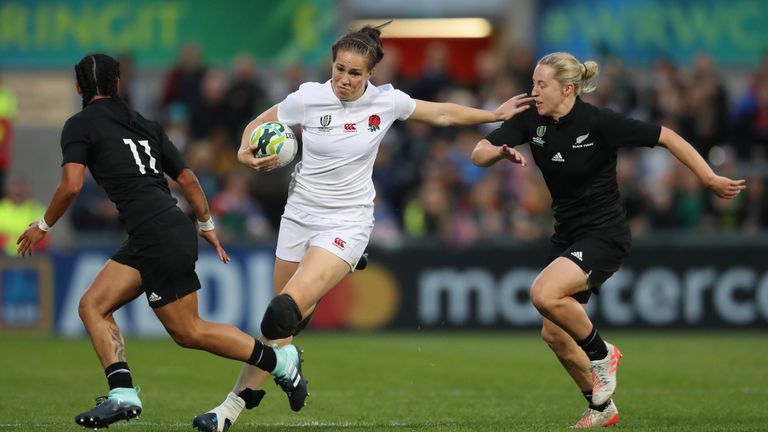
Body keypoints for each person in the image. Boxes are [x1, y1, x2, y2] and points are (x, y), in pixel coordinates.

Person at [192, 23, 534, 432]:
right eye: (339, 69)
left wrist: (493, 113)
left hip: (348, 219)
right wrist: (245, 156)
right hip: (298, 216)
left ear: (370, 74)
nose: (345, 80)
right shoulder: (308, 97)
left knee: (283, 310)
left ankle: (226, 412)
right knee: (279, 329)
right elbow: (253, 128)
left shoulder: (386, 102)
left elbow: (441, 112)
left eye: (355, 73)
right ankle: (265, 384)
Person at [15, 54, 304, 430]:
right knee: (92, 306)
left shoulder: (79, 124)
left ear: (78, 88)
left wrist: (43, 225)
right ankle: (123, 394)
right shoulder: (145, 123)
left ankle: (281, 362)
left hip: (156, 233)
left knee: (189, 331)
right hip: (160, 229)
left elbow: (71, 185)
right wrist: (206, 223)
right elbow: (187, 179)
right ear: (117, 84)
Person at [471, 52, 746, 428]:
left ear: (568, 88)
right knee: (553, 333)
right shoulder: (530, 119)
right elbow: (478, 152)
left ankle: (603, 353)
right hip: (567, 234)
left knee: (542, 294)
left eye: (541, 84)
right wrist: (497, 153)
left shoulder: (599, 122)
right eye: (533, 82)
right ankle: (601, 408)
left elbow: (667, 136)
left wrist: (709, 177)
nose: (533, 91)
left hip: (604, 233)